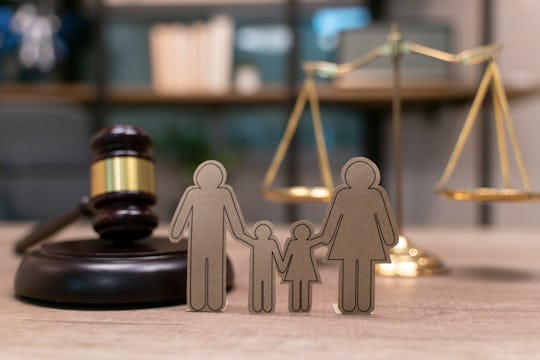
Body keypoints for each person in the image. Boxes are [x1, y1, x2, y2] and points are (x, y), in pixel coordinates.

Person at [314, 157, 398, 314]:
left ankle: (362, 303)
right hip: (348, 242)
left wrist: (389, 237)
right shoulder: (343, 195)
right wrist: (326, 236)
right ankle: (349, 303)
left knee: (364, 271)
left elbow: (383, 218)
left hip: (367, 242)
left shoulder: (375, 195)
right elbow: (334, 217)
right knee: (349, 270)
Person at [169, 160, 252, 312]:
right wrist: (176, 231)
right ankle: (198, 301)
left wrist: (242, 235)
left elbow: (233, 218)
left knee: (214, 269)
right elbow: (182, 214)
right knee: (199, 270)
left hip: (215, 240)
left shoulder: (223, 194)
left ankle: (213, 301)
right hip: (198, 241)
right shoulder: (193, 193)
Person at [280, 220, 325, 312]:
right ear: (295, 233)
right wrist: (282, 268)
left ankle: (304, 305)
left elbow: (322, 239)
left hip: (306, 268)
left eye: (304, 232)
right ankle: (295, 305)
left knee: (305, 286)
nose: (302, 234)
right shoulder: (292, 243)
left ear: (308, 233)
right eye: (299, 232)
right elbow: (287, 256)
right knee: (295, 286)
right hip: (294, 268)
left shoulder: (309, 243)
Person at [241, 221, 285, 313]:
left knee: (267, 288)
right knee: (256, 287)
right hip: (256, 271)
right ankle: (256, 306)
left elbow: (278, 257)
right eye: (260, 231)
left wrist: (282, 271)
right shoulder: (254, 242)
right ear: (256, 232)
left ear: (269, 232)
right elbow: (243, 237)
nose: (262, 233)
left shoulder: (272, 243)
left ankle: (267, 306)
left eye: (264, 231)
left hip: (268, 271)